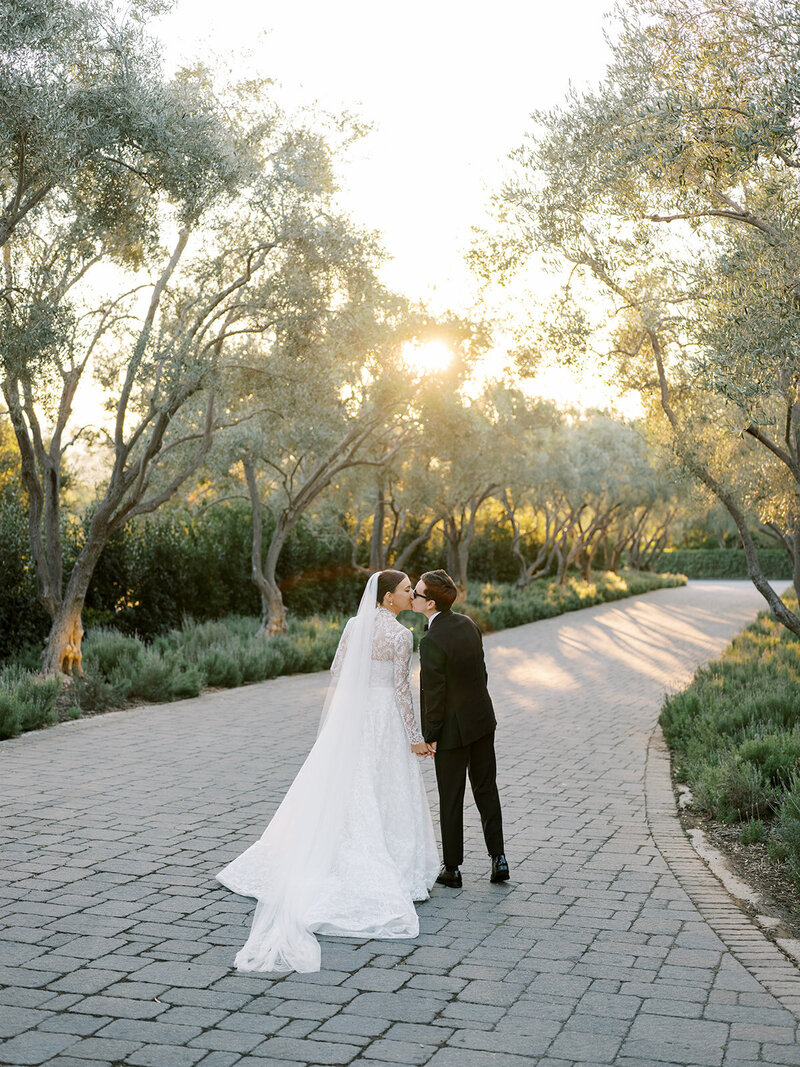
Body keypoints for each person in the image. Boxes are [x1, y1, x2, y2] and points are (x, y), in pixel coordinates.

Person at [216, 570, 439, 973]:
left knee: (347, 782)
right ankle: (384, 860)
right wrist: (414, 737)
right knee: (383, 786)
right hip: (385, 719)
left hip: (351, 719)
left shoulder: (355, 626)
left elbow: (339, 674)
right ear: (389, 598)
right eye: (407, 590)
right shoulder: (402, 637)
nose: (412, 595)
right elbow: (402, 692)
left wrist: (339, 721)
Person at [411, 569, 509, 888]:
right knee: (486, 789)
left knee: (450, 797)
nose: (412, 595)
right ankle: (499, 858)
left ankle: (452, 869)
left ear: (430, 604)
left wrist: (431, 735)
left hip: (452, 732)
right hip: (482, 720)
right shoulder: (468, 624)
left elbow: (433, 695)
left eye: (418, 592)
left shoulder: (431, 640)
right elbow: (481, 673)